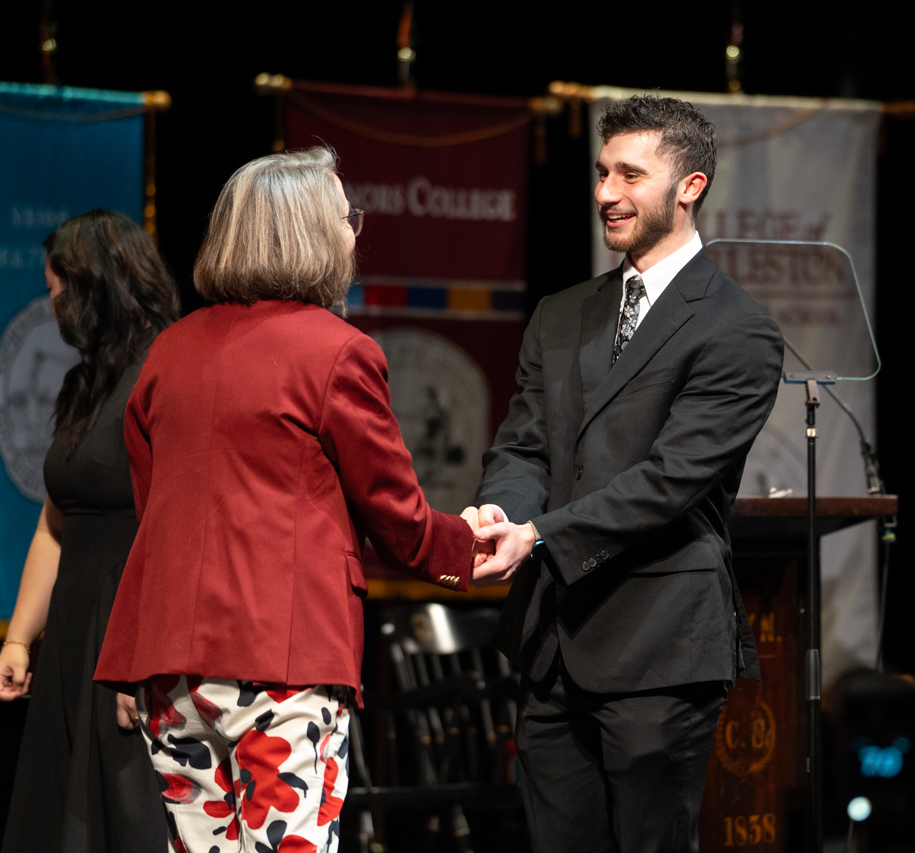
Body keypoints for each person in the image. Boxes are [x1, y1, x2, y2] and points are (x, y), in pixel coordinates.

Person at [91, 148, 494, 852]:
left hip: (172, 672)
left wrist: (129, 657)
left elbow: (152, 520)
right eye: (348, 217)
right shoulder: (337, 352)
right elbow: (398, 519)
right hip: (283, 664)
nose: (355, 232)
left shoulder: (168, 353)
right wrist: (478, 549)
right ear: (310, 232)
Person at [467, 95, 784, 852]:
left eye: (630, 175)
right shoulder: (562, 312)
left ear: (690, 186)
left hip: (659, 645)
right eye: (603, 172)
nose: (607, 192)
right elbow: (523, 445)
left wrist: (538, 533)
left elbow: (670, 482)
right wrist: (502, 514)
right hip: (553, 645)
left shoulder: (739, 329)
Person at [0, 209, 179, 852]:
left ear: (93, 285)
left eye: (56, 291)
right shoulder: (83, 384)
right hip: (75, 631)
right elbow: (55, 524)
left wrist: (144, 656)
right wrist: (20, 637)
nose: (52, 308)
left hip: (128, 633)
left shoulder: (166, 373)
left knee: (123, 820)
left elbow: (178, 531)